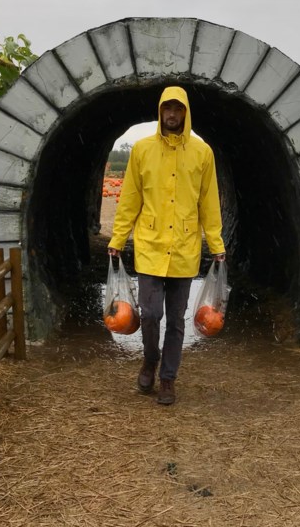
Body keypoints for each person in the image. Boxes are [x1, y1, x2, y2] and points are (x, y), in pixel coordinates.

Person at [107, 85, 226, 405]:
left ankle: (168, 378)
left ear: (186, 113)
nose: (172, 114)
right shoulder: (143, 151)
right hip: (150, 245)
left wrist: (216, 243)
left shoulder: (203, 154)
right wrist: (118, 238)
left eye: (178, 109)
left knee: (175, 319)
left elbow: (209, 203)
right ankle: (149, 359)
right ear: (160, 112)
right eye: (167, 109)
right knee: (149, 314)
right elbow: (130, 198)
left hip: (185, 248)